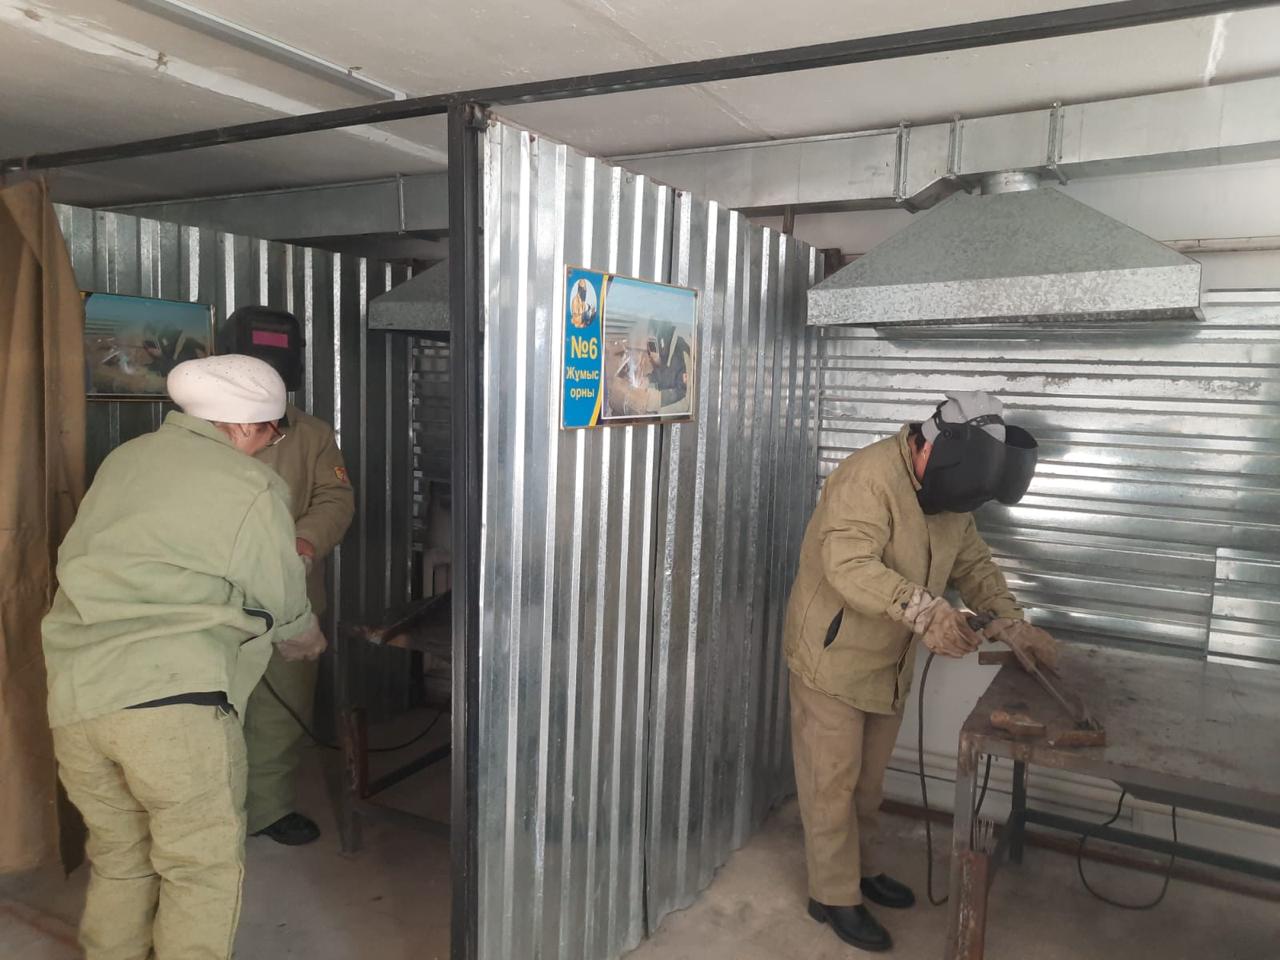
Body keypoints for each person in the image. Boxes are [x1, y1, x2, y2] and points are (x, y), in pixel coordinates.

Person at [42, 355, 325, 960]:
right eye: (272, 431)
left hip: (78, 698)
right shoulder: (250, 487)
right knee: (199, 866)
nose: (270, 443)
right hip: (172, 706)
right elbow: (281, 596)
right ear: (245, 425)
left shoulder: (125, 460)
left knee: (121, 858)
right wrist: (305, 637)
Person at [782, 390, 1057, 953]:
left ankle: (861, 872)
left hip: (888, 657)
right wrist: (925, 611)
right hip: (833, 655)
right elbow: (848, 564)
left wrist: (1010, 620)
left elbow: (972, 563)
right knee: (830, 784)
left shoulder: (951, 490)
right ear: (930, 448)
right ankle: (831, 895)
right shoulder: (866, 479)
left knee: (867, 786)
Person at [219, 305, 355, 846]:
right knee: (215, 708)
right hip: (215, 600)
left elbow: (335, 498)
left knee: (282, 707)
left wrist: (304, 543)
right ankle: (215, 816)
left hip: (290, 596)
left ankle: (268, 809)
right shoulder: (198, 432)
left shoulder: (313, 435)